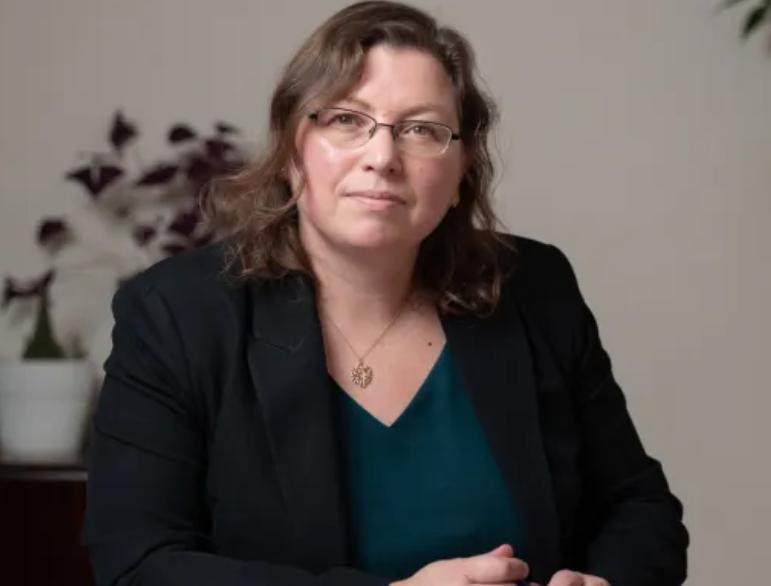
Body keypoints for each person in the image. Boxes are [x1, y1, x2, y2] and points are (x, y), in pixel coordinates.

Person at [82, 2, 689, 585]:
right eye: (347, 120)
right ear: (292, 149)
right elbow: (139, 564)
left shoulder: (534, 287)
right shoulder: (177, 315)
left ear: (462, 170)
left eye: (421, 129)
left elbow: (639, 509)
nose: (382, 157)